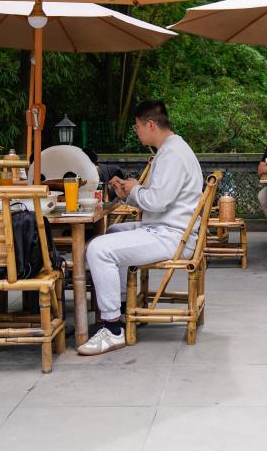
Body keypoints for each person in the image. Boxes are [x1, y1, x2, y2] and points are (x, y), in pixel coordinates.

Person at [79, 100, 202, 356]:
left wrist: (135, 189)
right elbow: (157, 199)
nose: (136, 132)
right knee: (113, 233)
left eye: (137, 127)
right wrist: (130, 192)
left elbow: (156, 202)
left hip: (172, 235)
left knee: (98, 249)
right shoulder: (170, 150)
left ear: (151, 124)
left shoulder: (172, 154)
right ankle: (124, 305)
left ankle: (112, 328)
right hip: (166, 227)